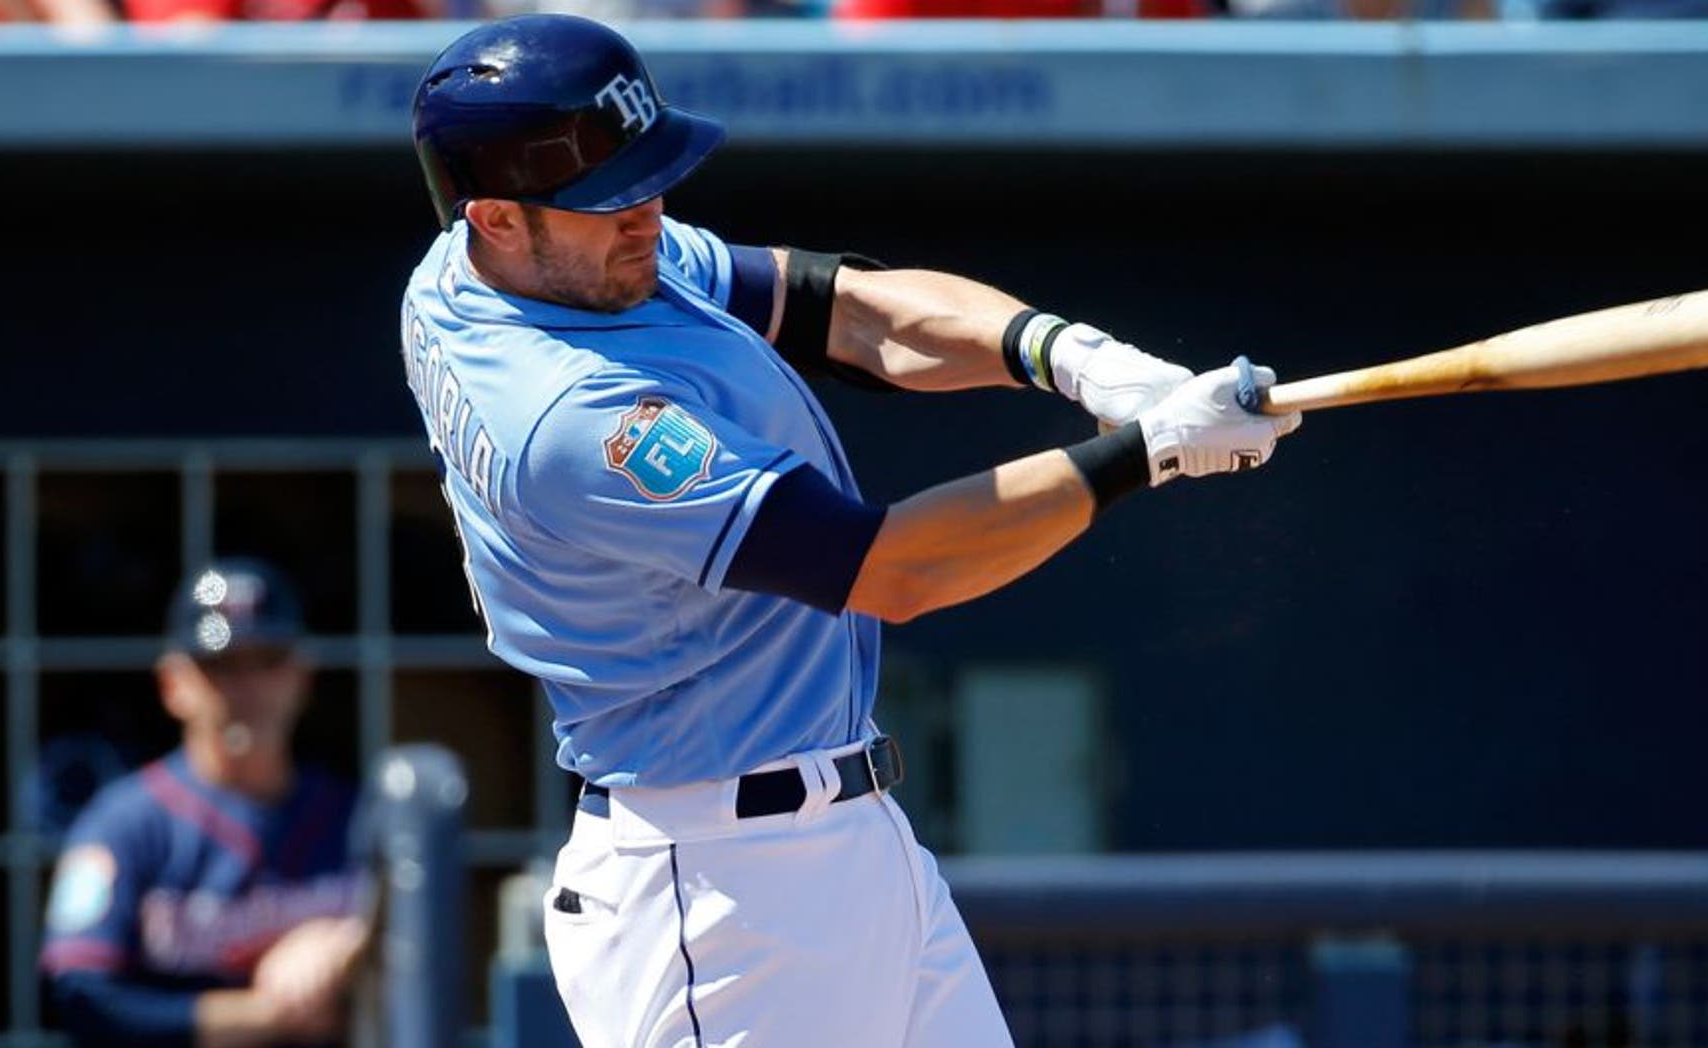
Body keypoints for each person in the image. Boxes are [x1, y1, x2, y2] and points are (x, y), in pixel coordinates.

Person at [404, 14, 1300, 1047]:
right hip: (721, 892)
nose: (644, 213)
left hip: (839, 835)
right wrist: (1147, 452)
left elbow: (840, 306)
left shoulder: (500, 269)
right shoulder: (570, 419)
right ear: (497, 219)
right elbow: (885, 567)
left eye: (645, 181)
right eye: (605, 201)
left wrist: (1073, 358)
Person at [41, 558, 368, 1048]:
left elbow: (427, 951)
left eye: (267, 660)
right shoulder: (125, 822)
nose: (247, 688)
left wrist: (344, 945)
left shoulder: (356, 816)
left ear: (302, 676)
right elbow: (79, 994)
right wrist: (265, 1015)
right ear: (173, 684)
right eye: (221, 666)